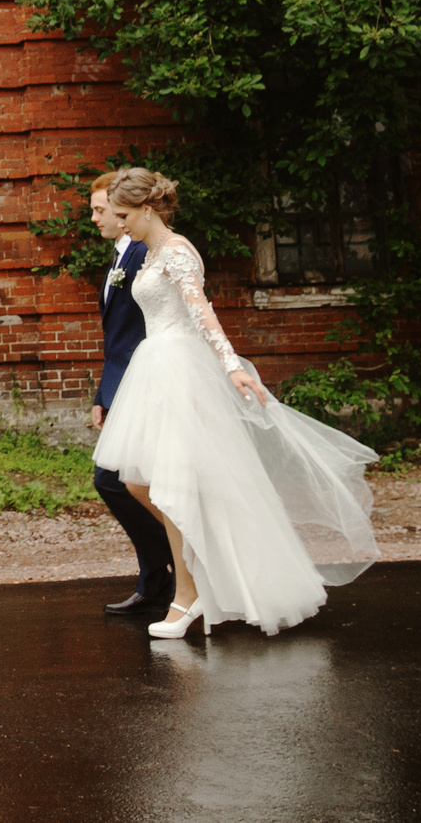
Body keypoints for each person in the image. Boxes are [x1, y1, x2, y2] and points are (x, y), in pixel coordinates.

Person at [91, 166, 381, 638]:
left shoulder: (178, 251)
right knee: (141, 482)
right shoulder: (152, 253)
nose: (119, 223)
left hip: (179, 372)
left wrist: (231, 365)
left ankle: (187, 597)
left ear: (147, 209)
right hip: (155, 369)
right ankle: (201, 572)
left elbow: (201, 310)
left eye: (124, 214)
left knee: (168, 486)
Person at [87, 174, 174, 619]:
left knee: (118, 480)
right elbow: (116, 334)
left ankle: (168, 573)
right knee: (126, 481)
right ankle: (162, 576)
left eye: (102, 210)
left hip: (150, 383)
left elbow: (155, 325)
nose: (95, 217)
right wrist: (104, 392)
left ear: (127, 214)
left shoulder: (146, 252)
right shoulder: (121, 254)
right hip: (123, 382)